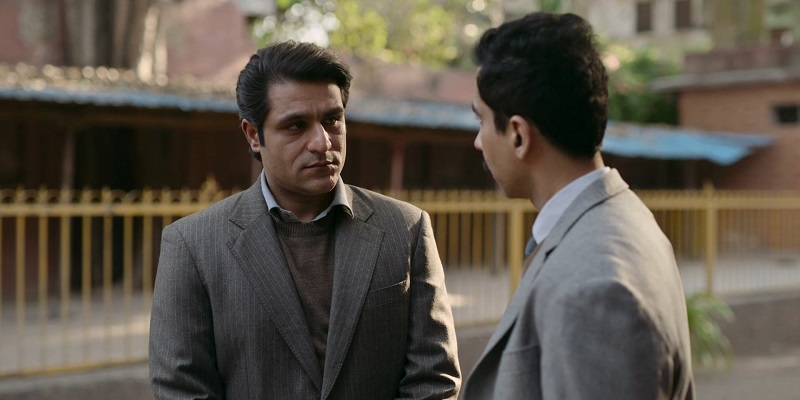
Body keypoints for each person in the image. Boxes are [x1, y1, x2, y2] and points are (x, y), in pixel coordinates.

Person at [149, 40, 461, 399]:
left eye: (332, 120)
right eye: (296, 126)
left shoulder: (404, 228)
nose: (322, 142)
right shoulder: (193, 245)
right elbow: (182, 388)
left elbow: (434, 377)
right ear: (254, 135)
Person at [462, 12, 694, 399]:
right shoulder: (619, 216)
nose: (478, 141)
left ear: (518, 135)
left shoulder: (595, 289)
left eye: (481, 121)